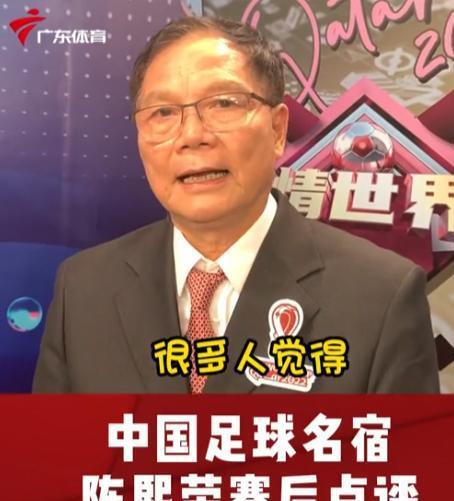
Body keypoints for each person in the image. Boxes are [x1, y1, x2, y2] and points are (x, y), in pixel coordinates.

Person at [33, 16, 439, 394]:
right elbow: (54, 446)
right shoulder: (83, 289)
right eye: (163, 112)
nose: (192, 136)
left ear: (278, 129)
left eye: (223, 104)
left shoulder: (382, 294)